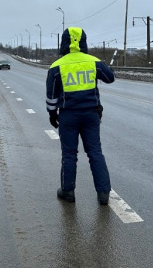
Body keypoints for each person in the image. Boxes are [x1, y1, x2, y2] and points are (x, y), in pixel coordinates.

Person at [46, 27, 115, 205]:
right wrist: (106, 67)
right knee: (95, 152)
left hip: (68, 116)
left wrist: (52, 115)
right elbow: (110, 78)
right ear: (83, 41)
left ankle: (68, 191)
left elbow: (51, 96)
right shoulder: (94, 62)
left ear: (64, 42)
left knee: (69, 154)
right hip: (91, 114)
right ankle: (103, 194)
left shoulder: (56, 67)